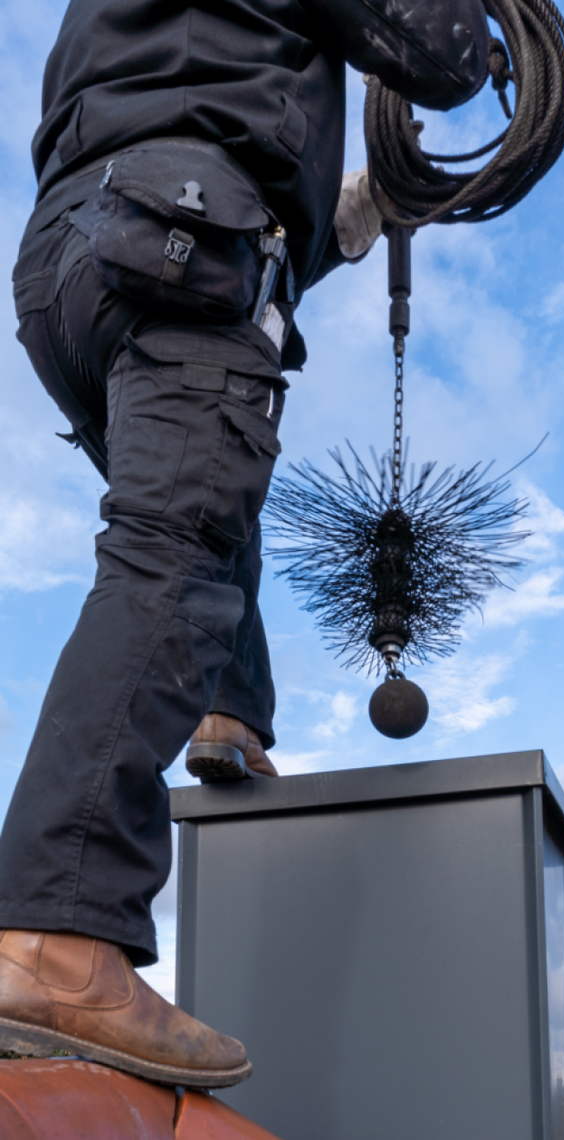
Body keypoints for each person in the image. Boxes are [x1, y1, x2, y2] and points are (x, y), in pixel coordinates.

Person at [0, 0, 489, 1089]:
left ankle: (232, 714)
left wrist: (347, 215)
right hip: (180, 237)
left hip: (70, 268)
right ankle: (58, 939)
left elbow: (194, 107)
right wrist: (490, 39)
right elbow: (439, 51)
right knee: (174, 552)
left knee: (205, 504)